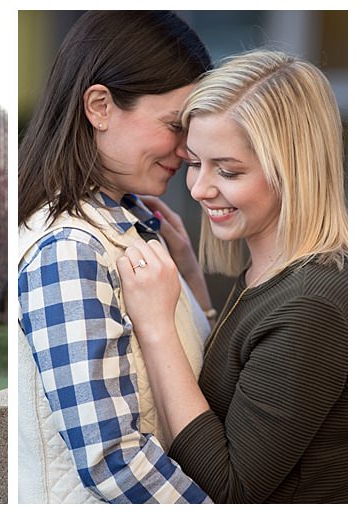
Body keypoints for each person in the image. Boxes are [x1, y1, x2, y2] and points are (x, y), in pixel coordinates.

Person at [117, 50, 347, 503]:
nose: (200, 188)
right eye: (195, 162)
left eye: (228, 170)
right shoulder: (270, 272)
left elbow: (230, 491)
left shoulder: (310, 303)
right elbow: (241, 376)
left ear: (293, 170)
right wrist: (192, 286)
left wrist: (157, 326)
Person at [18, 11, 214, 504]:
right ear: (100, 106)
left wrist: (191, 278)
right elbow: (115, 462)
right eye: (175, 124)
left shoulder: (132, 224)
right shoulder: (69, 251)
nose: (189, 150)